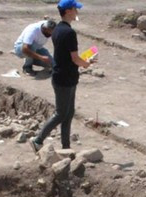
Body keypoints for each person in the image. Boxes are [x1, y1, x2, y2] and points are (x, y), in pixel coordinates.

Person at [31, 0, 95, 152]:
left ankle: (66, 146)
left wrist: (83, 61)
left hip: (66, 76)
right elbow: (74, 58)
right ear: (68, 11)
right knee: (61, 113)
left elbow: (66, 54)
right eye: (75, 9)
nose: (77, 12)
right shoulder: (69, 32)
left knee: (69, 112)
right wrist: (86, 63)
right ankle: (38, 140)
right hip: (65, 78)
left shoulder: (58, 29)